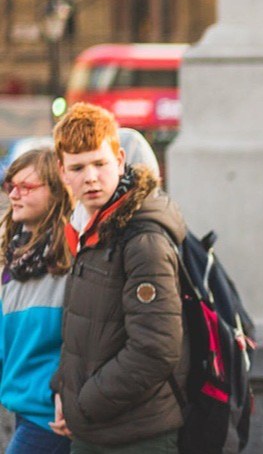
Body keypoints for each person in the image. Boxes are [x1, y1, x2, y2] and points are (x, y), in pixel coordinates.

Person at [49, 103, 188, 453]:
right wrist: (63, 390)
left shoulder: (143, 240)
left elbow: (155, 349)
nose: (91, 177)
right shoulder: (88, 231)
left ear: (121, 159)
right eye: (78, 168)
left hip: (138, 436)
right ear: (62, 171)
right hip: (94, 429)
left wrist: (83, 404)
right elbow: (83, 329)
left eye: (100, 163)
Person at [1, 149, 77, 454]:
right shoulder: (13, 256)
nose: (14, 195)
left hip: (51, 413)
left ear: (56, 191)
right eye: (11, 186)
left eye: (27, 187)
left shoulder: (73, 255)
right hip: (20, 403)